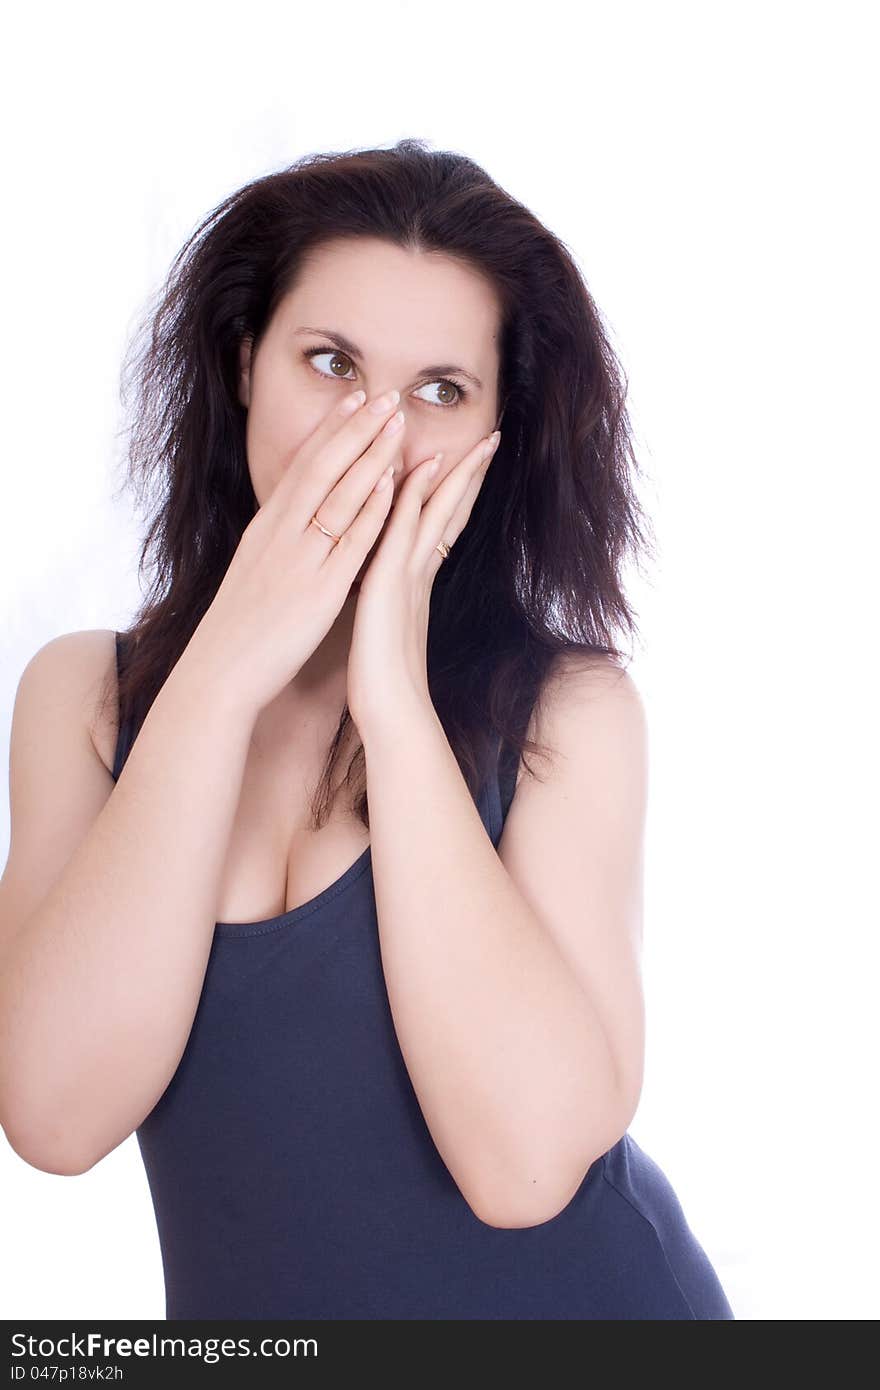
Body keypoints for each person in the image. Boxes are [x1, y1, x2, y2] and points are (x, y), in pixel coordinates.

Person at [0, 139, 734, 1319]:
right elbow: (53, 1113)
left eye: (441, 390)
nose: (375, 432)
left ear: (502, 435)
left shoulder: (567, 714)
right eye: (330, 362)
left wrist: (391, 690)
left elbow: (523, 1168)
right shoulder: (85, 701)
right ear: (246, 364)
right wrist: (226, 667)